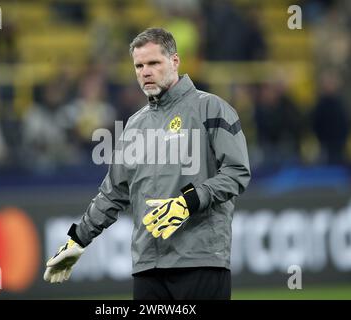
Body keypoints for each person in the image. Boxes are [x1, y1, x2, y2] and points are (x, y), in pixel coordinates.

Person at [43, 28, 251, 300]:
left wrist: (187, 202)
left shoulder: (211, 108)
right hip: (147, 267)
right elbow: (113, 193)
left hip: (199, 260)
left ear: (175, 62)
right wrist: (77, 239)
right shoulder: (134, 125)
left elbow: (237, 173)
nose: (145, 72)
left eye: (154, 63)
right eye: (139, 66)